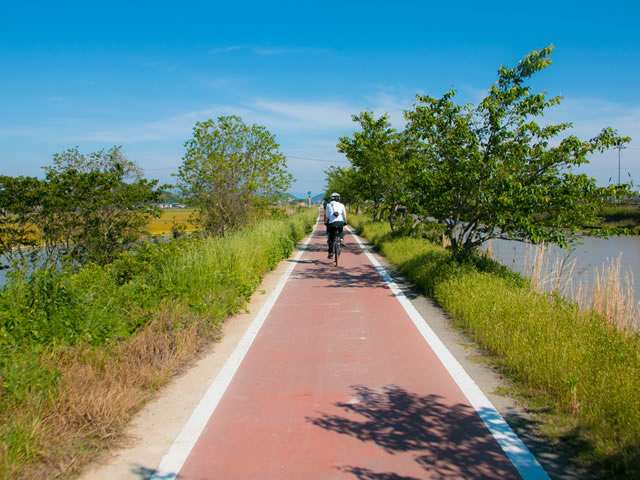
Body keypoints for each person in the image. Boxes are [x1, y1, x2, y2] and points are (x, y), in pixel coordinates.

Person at [324, 192, 347, 259]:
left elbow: (327, 216)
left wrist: (325, 223)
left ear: (331, 198)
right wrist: (345, 222)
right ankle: (342, 239)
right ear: (338, 198)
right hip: (340, 222)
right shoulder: (342, 205)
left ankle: (330, 253)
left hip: (332, 224)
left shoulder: (328, 205)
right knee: (341, 231)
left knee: (331, 238)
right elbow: (344, 216)